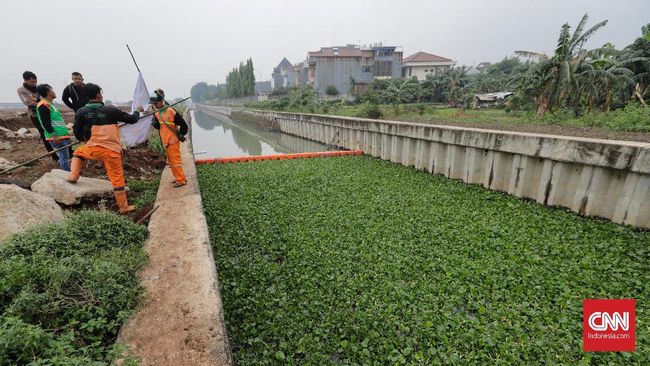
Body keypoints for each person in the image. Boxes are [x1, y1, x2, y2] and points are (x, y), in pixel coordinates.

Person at [68, 83, 143, 213]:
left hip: (92, 149)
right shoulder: (111, 110)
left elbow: (77, 133)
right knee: (117, 179)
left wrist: (85, 139)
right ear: (98, 95)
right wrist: (137, 110)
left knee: (78, 153)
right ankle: (124, 207)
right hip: (111, 151)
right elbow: (132, 119)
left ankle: (73, 176)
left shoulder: (81, 112)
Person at [16, 71, 57, 161]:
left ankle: (66, 150)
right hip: (35, 115)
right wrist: (41, 102)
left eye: (35, 82)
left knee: (55, 129)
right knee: (44, 134)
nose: (34, 84)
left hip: (48, 112)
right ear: (25, 80)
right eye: (32, 82)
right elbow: (28, 102)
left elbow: (46, 98)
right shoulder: (21, 90)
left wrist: (38, 100)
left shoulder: (38, 88)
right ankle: (53, 155)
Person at [150, 93, 188, 187]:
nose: (154, 105)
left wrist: (182, 134)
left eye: (156, 103)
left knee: (175, 161)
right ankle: (178, 177)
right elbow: (159, 127)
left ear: (161, 101)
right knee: (171, 162)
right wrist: (154, 123)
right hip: (165, 140)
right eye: (153, 104)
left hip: (172, 140)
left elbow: (183, 124)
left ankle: (181, 180)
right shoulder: (157, 113)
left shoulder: (171, 111)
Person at [35, 84, 71, 171]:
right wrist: (54, 135)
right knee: (64, 157)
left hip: (60, 135)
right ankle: (67, 174)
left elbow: (55, 121)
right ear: (48, 92)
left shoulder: (49, 104)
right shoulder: (43, 105)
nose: (54, 92)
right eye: (52, 90)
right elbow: (45, 123)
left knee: (64, 156)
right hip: (57, 136)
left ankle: (65, 172)